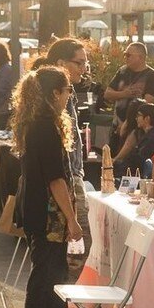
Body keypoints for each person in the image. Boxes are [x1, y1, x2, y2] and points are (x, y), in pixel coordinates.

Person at [11, 67, 91, 308]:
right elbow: (55, 179)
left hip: (41, 207)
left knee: (54, 270)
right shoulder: (44, 125)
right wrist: (72, 218)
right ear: (55, 93)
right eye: (68, 90)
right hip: (45, 211)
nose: (70, 95)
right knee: (44, 273)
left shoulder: (40, 121)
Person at [45, 38, 91, 278]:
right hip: (64, 179)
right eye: (79, 62)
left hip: (72, 174)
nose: (84, 68)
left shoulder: (67, 93)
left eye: (86, 62)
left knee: (71, 249)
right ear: (61, 63)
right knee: (79, 247)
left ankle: (66, 306)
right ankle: (70, 304)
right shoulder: (52, 96)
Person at [104, 42, 154, 153]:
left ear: (140, 57)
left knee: (129, 163)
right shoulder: (123, 71)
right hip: (116, 127)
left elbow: (146, 105)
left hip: (137, 131)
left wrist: (127, 122)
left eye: (128, 55)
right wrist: (124, 94)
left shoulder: (152, 76)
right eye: (125, 54)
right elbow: (107, 94)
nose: (125, 57)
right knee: (112, 161)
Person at [114, 101, 154, 179]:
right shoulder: (148, 136)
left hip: (136, 177)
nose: (136, 118)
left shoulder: (152, 139)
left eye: (139, 115)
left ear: (147, 118)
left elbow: (138, 162)